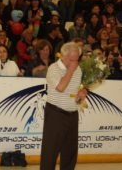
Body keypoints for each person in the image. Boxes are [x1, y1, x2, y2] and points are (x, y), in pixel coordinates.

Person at [40, 42, 87, 170]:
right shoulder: (53, 68)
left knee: (70, 152)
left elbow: (73, 94)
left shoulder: (78, 69)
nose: (76, 63)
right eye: (73, 59)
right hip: (55, 113)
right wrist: (70, 71)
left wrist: (80, 95)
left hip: (72, 114)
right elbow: (61, 87)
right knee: (50, 151)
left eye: (77, 59)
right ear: (64, 56)